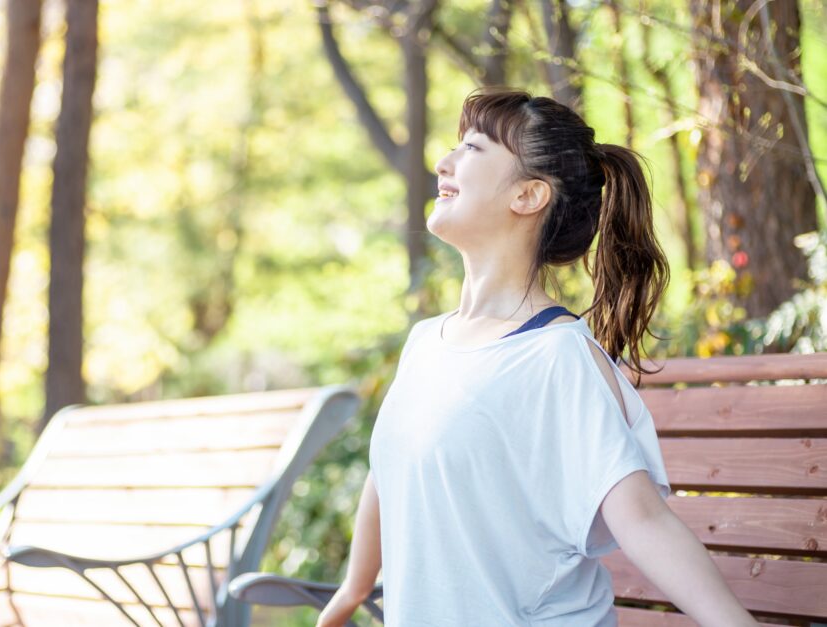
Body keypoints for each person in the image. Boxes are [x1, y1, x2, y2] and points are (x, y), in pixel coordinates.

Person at [316, 88, 758, 626]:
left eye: (473, 149)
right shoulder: (426, 343)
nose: (444, 161)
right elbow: (389, 472)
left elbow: (643, 520)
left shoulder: (557, 356)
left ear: (527, 196)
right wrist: (351, 591)